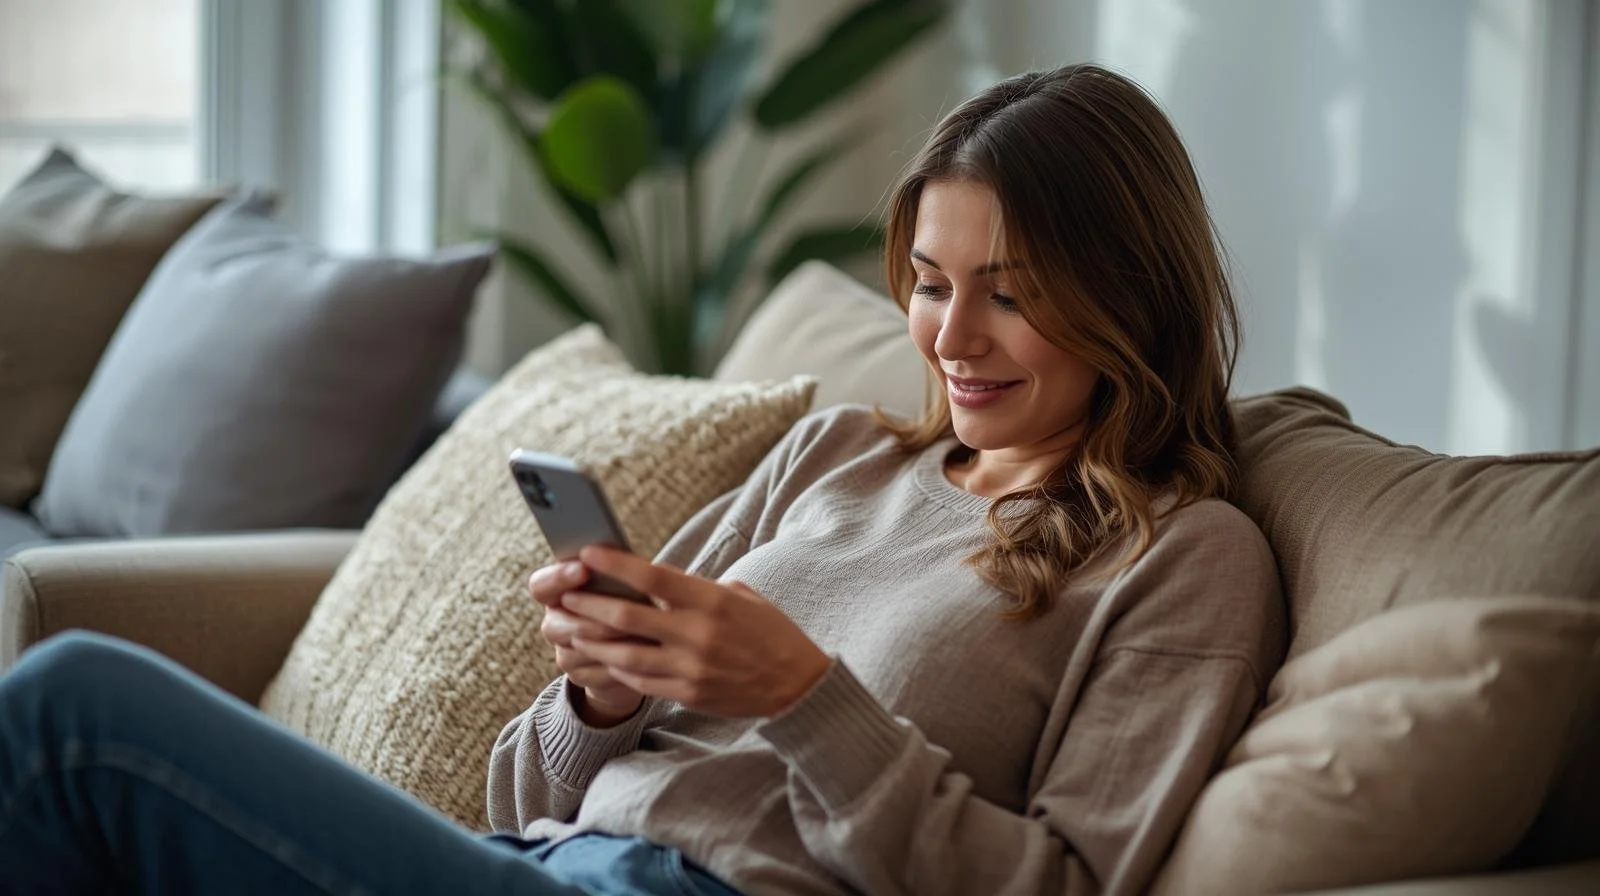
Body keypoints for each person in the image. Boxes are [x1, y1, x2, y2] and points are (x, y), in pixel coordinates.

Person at [0, 63, 1283, 896]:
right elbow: (523, 792)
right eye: (931, 286)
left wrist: (805, 696)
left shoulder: (1183, 555)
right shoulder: (838, 455)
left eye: (1010, 295)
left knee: (74, 709)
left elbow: (1062, 884)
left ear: (1128, 290)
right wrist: (601, 695)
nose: (951, 338)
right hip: (540, 862)